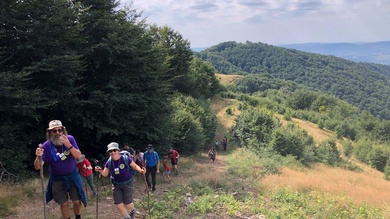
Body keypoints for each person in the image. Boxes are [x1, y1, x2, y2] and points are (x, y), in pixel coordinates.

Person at [34, 120, 86, 219]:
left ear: (63, 130)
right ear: (49, 133)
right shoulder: (46, 146)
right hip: (57, 178)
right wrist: (38, 157)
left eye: (60, 130)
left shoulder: (70, 139)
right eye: (54, 131)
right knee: (64, 203)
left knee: (76, 200)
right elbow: (37, 167)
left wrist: (68, 145)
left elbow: (79, 156)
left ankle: (78, 217)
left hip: (72, 175)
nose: (58, 133)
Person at [95, 142, 146, 219]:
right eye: (110, 151)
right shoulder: (109, 162)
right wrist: (100, 170)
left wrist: (141, 170)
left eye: (114, 150)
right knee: (119, 205)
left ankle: (133, 210)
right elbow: (105, 174)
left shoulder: (125, 158)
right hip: (116, 185)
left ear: (118, 150)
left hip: (127, 183)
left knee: (127, 204)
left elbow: (135, 166)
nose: (113, 152)